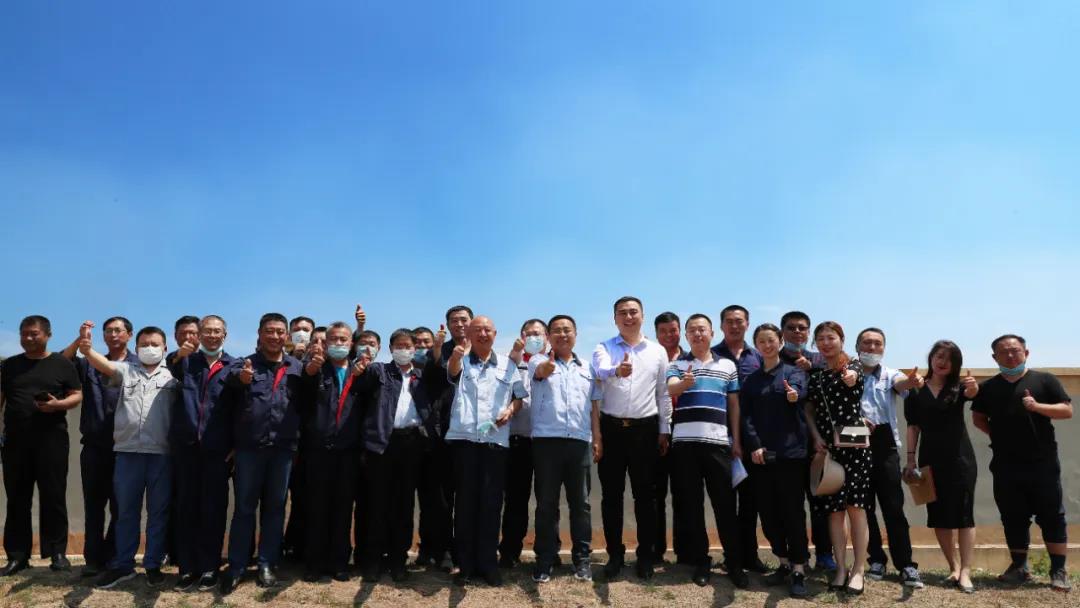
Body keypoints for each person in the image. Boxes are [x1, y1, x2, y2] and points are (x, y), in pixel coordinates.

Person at [80, 323, 179, 589]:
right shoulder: (127, 370)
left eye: (155, 344)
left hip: (161, 454)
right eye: (144, 345)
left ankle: (153, 565)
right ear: (136, 347)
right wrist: (87, 351)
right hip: (127, 454)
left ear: (165, 348)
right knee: (126, 512)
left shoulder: (173, 376)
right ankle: (123, 565)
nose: (150, 348)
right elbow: (105, 366)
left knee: (158, 512)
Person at [972, 334, 1072, 592]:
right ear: (994, 357)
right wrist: (998, 436)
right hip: (1005, 463)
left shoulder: (1045, 380)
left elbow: (1066, 410)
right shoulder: (988, 388)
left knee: (1052, 515)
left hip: (1043, 462)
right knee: (1013, 516)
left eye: (1015, 350)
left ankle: (1058, 570)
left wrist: (1037, 407)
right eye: (1003, 352)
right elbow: (978, 418)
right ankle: (1019, 567)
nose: (1010, 355)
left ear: (1026, 353)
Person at [221, 313, 304, 594]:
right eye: (269, 331)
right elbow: (231, 385)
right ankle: (237, 565)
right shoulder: (244, 364)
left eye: (280, 331)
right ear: (259, 334)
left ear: (287, 336)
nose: (275, 336)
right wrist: (242, 378)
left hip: (282, 450)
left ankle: (268, 563)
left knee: (275, 508)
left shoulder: (297, 368)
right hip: (249, 449)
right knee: (244, 508)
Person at [592, 296, 673, 581]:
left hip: (645, 430)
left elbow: (663, 392)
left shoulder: (657, 351)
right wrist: (617, 370)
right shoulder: (604, 347)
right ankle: (615, 555)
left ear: (642, 316)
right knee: (611, 496)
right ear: (615, 318)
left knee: (645, 496)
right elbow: (598, 372)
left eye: (633, 312)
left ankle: (645, 556)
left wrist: (664, 429)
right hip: (612, 429)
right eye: (622, 313)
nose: (628, 317)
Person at [666, 314, 747, 588]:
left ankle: (734, 563)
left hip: (718, 445)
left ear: (712, 333)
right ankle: (701, 561)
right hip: (684, 446)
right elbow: (671, 388)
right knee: (692, 507)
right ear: (686, 336)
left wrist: (736, 440)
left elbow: (734, 405)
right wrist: (683, 384)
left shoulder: (727, 365)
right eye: (692, 330)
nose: (698, 334)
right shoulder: (677, 364)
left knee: (725, 506)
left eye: (702, 329)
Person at [445, 315, 526, 587]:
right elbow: (452, 372)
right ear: (469, 333)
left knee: (491, 504)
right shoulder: (461, 360)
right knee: (465, 504)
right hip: (465, 441)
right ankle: (466, 565)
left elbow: (519, 397)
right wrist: (456, 356)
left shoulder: (507, 364)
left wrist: (510, 410)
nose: (482, 334)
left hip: (495, 442)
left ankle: (488, 564)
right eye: (477, 329)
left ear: (495, 333)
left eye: (487, 330)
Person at [0, 315, 82, 576]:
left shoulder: (61, 363)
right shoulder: (10, 365)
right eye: (24, 333)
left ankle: (57, 553)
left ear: (48, 335)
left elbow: (76, 395)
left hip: (52, 440)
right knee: (17, 499)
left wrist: (58, 405)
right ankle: (17, 556)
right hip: (15, 442)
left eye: (34, 333)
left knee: (53, 496)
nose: (28, 338)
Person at [59, 316, 137, 578]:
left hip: (126, 447)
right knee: (93, 506)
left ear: (129, 334)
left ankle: (114, 556)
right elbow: (62, 363)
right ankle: (93, 559)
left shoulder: (138, 365)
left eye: (118, 330)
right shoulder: (89, 364)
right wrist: (80, 341)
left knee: (121, 506)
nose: (113, 335)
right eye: (108, 331)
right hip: (94, 446)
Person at [355, 328, 436, 582]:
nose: (403, 350)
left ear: (414, 349)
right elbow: (359, 385)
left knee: (403, 504)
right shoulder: (378, 371)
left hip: (411, 444)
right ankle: (373, 561)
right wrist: (360, 366)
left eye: (408, 346)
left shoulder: (421, 376)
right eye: (398, 346)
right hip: (382, 444)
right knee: (377, 504)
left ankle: (398, 560)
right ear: (391, 349)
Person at [528, 315, 601, 583]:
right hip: (547, 443)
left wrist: (598, 437)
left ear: (576, 334)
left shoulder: (587, 368)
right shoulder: (537, 360)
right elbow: (541, 372)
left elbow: (594, 405)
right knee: (546, 505)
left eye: (567, 330)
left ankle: (582, 560)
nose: (562, 334)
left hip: (579, 442)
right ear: (548, 336)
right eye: (556, 331)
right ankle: (545, 560)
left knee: (581, 504)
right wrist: (548, 365)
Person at [166, 315, 236, 592]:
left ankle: (209, 568)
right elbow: (171, 366)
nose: (212, 335)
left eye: (217, 331)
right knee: (186, 508)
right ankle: (187, 568)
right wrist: (181, 354)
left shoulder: (234, 366)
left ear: (224, 335)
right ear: (199, 334)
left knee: (213, 509)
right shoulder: (186, 362)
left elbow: (241, 407)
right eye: (207, 330)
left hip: (218, 451)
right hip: (186, 448)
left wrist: (235, 444)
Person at [904, 340, 979, 593]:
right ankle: (953, 567)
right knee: (939, 515)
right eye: (938, 356)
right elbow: (913, 426)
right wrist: (911, 459)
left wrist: (973, 388)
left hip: (960, 459)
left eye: (949, 358)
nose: (942, 361)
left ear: (956, 363)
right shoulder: (916, 390)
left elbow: (972, 394)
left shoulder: (960, 387)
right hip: (930, 459)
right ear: (931, 358)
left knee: (964, 515)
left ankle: (966, 571)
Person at [741, 323, 809, 598]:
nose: (767, 345)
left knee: (793, 512)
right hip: (762, 456)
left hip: (791, 455)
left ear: (780, 342)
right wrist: (754, 445)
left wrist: (794, 395)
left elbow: (800, 392)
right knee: (768, 514)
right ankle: (783, 562)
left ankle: (799, 568)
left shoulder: (794, 373)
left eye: (771, 340)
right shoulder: (751, 381)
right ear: (756, 346)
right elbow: (746, 417)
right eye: (761, 341)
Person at [298, 322, 368, 582]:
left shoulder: (361, 372)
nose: (339, 343)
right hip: (318, 451)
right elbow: (304, 390)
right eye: (334, 339)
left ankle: (339, 562)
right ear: (325, 343)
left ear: (352, 343)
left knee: (343, 508)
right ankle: (314, 564)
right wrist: (312, 368)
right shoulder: (316, 369)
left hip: (348, 452)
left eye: (344, 339)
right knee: (317, 507)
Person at [855, 327, 925, 588]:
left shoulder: (890, 374)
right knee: (864, 508)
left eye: (877, 343)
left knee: (893, 507)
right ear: (857, 347)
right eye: (867, 343)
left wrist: (912, 382)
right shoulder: (846, 374)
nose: (872, 348)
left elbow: (902, 385)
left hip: (885, 447)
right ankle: (876, 559)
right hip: (854, 443)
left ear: (883, 348)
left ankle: (906, 564)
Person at [805, 321, 871, 594]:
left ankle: (859, 570)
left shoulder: (854, 366)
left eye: (831, 337)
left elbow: (853, 378)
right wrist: (815, 436)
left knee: (856, 507)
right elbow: (809, 410)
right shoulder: (816, 376)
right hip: (828, 446)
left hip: (854, 441)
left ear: (841, 340)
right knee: (834, 510)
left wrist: (850, 377)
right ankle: (841, 568)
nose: (825, 343)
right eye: (820, 338)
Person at [711, 305, 767, 573]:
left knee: (750, 501)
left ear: (747, 324)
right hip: (719, 437)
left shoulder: (759, 356)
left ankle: (750, 556)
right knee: (724, 501)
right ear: (721, 325)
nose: (734, 326)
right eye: (729, 321)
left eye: (739, 321)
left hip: (753, 439)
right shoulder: (710, 355)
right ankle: (731, 556)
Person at [415, 305, 472, 570]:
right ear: (447, 325)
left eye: (463, 319)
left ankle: (466, 549)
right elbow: (432, 376)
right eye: (454, 321)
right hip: (444, 432)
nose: (459, 324)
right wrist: (437, 350)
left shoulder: (482, 350)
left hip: (475, 433)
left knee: (468, 496)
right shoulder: (439, 350)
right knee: (440, 497)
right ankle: (440, 549)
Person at [779, 311, 833, 572]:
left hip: (819, 443)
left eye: (802, 328)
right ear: (782, 332)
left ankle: (825, 554)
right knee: (791, 506)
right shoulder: (773, 360)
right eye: (791, 328)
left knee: (820, 503)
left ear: (808, 332)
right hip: (786, 444)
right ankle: (798, 557)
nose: (797, 332)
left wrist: (813, 369)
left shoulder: (820, 360)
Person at [499, 318, 547, 569]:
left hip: (547, 441)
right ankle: (510, 551)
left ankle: (547, 551)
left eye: (538, 333)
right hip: (518, 440)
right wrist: (514, 355)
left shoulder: (553, 364)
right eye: (528, 334)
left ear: (546, 337)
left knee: (547, 500)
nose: (533, 338)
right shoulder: (511, 364)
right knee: (516, 500)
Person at [652, 311, 684, 564]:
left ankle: (685, 550)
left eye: (672, 330)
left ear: (679, 330)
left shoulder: (690, 359)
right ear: (656, 334)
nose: (668, 335)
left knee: (684, 493)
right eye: (663, 331)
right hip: (657, 431)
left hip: (686, 431)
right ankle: (656, 550)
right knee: (656, 493)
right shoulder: (651, 359)